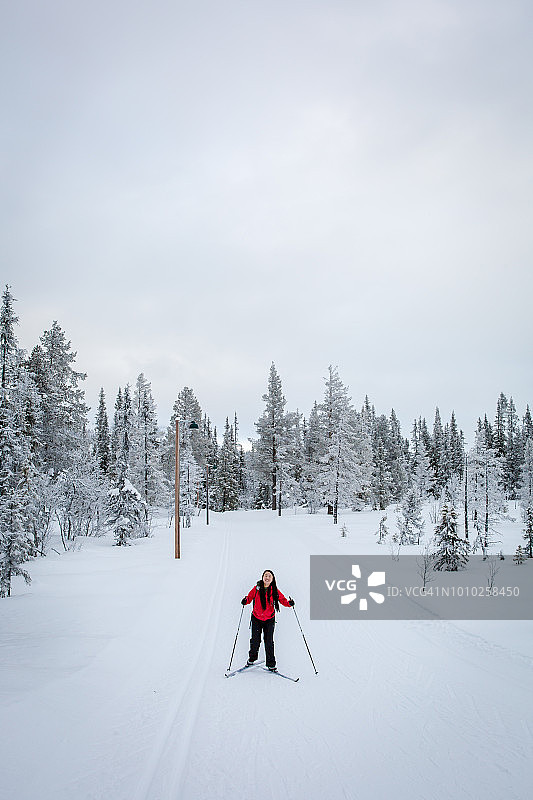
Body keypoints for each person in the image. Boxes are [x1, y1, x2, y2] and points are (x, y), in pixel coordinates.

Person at [241, 570, 294, 672]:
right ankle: (252, 659)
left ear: (272, 579)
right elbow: (249, 597)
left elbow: (283, 600)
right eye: (266, 575)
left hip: (269, 619)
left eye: (269, 576)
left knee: (269, 641)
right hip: (256, 618)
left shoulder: (274, 590)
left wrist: (289, 603)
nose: (267, 577)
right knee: (255, 640)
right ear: (262, 577)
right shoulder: (256, 588)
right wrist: (245, 601)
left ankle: (271, 664)